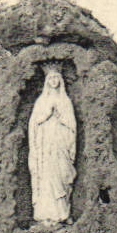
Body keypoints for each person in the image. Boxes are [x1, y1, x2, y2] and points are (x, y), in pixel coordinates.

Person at [27, 63, 77, 224]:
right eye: (51, 78)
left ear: (60, 80)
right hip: (44, 147)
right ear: (46, 81)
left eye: (56, 77)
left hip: (60, 144)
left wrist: (60, 117)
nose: (54, 80)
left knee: (61, 175)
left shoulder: (65, 101)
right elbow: (34, 124)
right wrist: (47, 115)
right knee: (45, 177)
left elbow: (72, 126)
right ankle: (44, 215)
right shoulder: (41, 101)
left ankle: (62, 214)